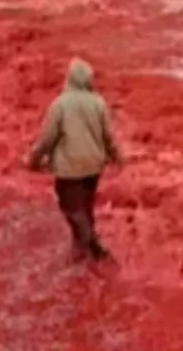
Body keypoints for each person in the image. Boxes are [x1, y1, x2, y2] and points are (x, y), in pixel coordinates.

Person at [25, 57, 122, 262]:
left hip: (69, 167)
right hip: (94, 166)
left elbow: (47, 139)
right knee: (86, 207)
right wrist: (117, 157)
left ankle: (92, 244)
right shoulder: (98, 102)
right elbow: (109, 136)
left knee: (70, 207)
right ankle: (81, 249)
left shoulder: (60, 105)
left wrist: (33, 160)